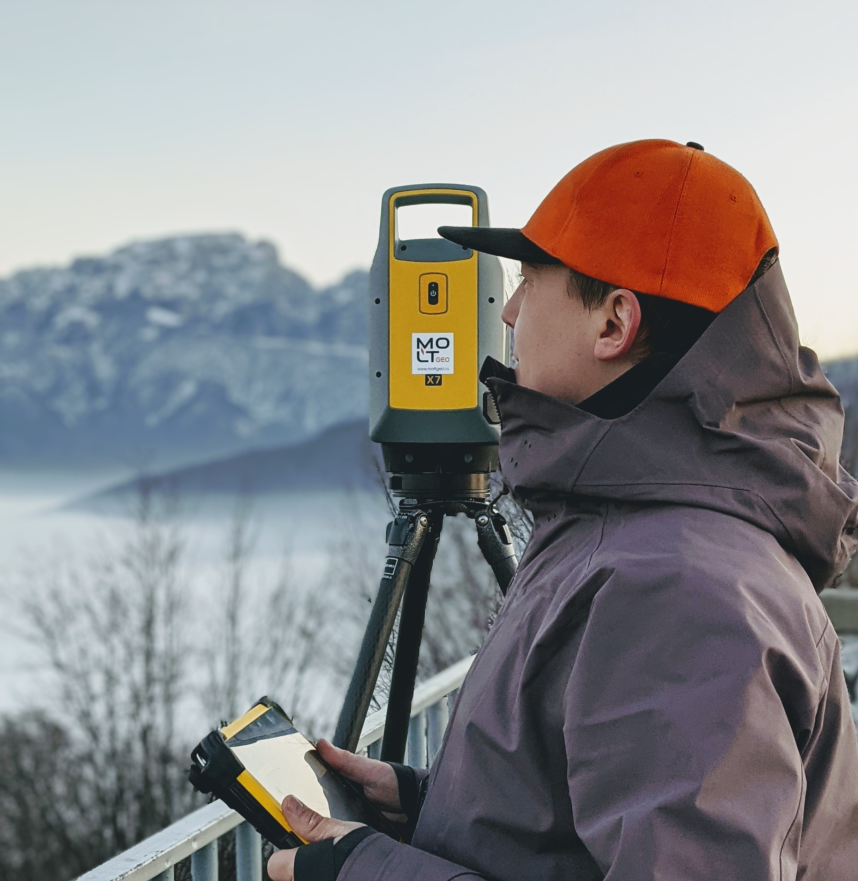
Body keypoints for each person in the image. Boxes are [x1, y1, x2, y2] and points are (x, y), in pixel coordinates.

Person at [268, 139, 858, 881]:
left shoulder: (674, 591)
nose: (509, 309)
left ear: (613, 323)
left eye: (528, 278)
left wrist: (361, 872)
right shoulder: (633, 530)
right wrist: (426, 809)